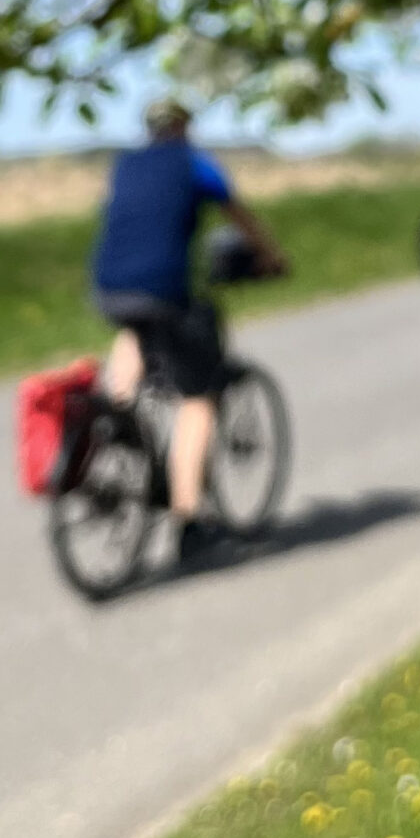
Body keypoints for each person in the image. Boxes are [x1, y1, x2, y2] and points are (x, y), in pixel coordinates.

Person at [92, 103, 287, 562]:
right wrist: (271, 256)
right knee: (198, 398)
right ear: (183, 126)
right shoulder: (194, 162)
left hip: (109, 284)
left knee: (135, 331)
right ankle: (189, 519)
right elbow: (237, 215)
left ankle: (116, 416)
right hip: (164, 287)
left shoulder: (125, 164)